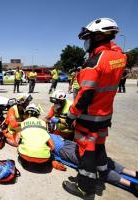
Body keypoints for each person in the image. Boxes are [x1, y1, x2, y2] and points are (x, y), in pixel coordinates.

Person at [63, 18, 127, 199]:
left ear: (98, 37)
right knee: (99, 147)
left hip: (89, 117)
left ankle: (85, 188)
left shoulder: (93, 64)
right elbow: (117, 51)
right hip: (105, 115)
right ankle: (101, 177)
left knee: (86, 151)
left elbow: (85, 95)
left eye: (89, 38)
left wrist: (71, 115)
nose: (86, 42)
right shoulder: (119, 57)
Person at [50, 133, 138, 196]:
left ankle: (133, 177)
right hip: (64, 148)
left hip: (70, 143)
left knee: (97, 161)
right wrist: (53, 160)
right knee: (98, 162)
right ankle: (132, 181)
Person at [17, 104, 66, 170]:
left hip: (25, 156)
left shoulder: (23, 123)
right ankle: (50, 161)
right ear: (37, 115)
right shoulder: (43, 123)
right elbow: (52, 146)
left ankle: (25, 160)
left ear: (26, 114)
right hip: (43, 159)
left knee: (19, 145)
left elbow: (18, 140)